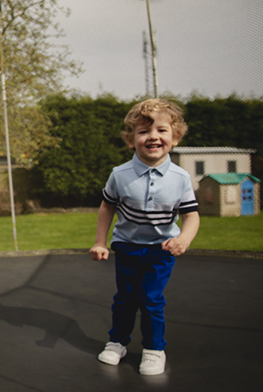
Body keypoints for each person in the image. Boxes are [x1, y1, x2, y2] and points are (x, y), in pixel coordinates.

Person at [89, 98, 199, 376]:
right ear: (130, 140)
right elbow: (107, 207)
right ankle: (117, 342)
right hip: (126, 247)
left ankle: (153, 349)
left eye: (162, 130)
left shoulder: (181, 177)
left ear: (175, 138)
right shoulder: (120, 174)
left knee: (150, 298)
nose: (153, 137)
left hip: (161, 249)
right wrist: (101, 241)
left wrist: (183, 240)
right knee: (125, 298)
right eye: (143, 131)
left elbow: (191, 216)